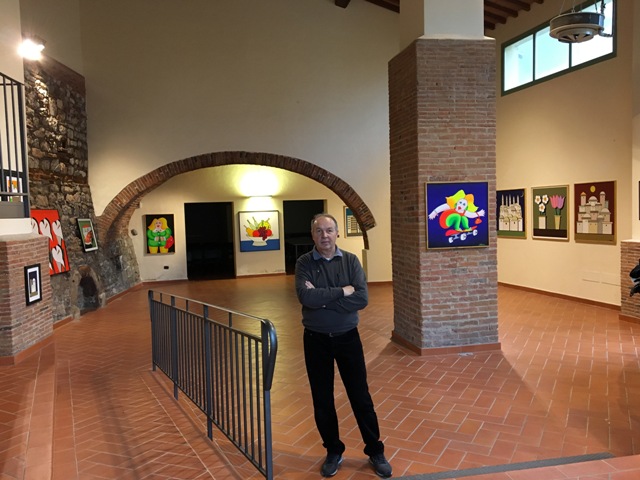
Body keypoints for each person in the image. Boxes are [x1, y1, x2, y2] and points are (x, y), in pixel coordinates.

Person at [295, 213, 392, 478]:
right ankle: (333, 450)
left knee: (360, 396)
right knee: (322, 399)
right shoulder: (304, 263)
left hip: (348, 337)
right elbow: (305, 297)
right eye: (319, 231)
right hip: (315, 339)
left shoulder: (350, 261)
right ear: (312, 235)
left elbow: (361, 298)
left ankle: (375, 449)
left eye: (329, 230)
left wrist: (321, 298)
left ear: (337, 233)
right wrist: (341, 291)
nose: (324, 235)